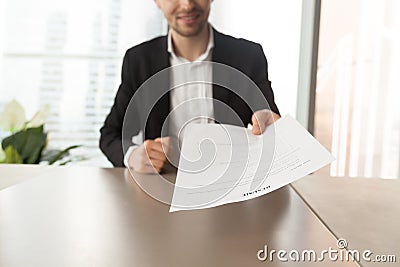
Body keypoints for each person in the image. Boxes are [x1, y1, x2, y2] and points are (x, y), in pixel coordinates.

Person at [100, 0, 281, 173]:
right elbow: (110, 134)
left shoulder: (247, 56)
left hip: (231, 187)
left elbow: (269, 121)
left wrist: (270, 126)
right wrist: (132, 156)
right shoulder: (139, 60)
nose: (187, 5)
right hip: (162, 186)